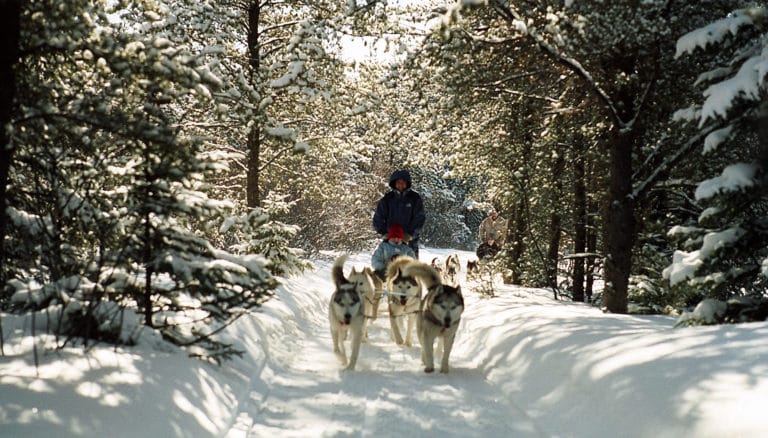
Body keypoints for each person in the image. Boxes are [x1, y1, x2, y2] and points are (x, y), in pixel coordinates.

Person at [373, 170, 425, 258]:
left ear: (407, 183)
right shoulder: (387, 199)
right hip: (390, 240)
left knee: (411, 268)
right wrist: (384, 233)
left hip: (409, 240)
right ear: (394, 183)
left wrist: (410, 234)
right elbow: (378, 217)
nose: (401, 185)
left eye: (403, 182)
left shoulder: (415, 198)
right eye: (398, 182)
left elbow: (419, 218)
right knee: (387, 268)